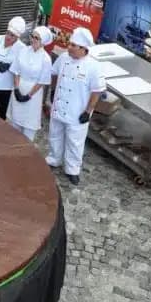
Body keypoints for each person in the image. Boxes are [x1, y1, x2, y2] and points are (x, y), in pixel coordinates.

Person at [46, 27, 105, 185]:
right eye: (70, 44)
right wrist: (52, 91)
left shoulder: (93, 66)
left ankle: (72, 169)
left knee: (75, 141)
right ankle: (53, 159)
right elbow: (54, 73)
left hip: (77, 111)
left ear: (83, 48)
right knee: (55, 134)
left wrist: (88, 111)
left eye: (73, 45)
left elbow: (97, 91)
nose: (69, 47)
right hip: (59, 106)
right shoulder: (64, 58)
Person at [8, 26, 54, 140]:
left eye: (36, 38)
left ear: (43, 41)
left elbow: (42, 81)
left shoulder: (46, 59)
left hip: (33, 95)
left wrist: (29, 95)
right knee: (14, 123)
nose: (33, 39)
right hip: (19, 88)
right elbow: (16, 71)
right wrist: (17, 89)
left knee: (28, 125)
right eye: (32, 36)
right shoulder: (23, 50)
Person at [0, 17, 26, 119]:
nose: (8, 37)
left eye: (12, 36)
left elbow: (21, 67)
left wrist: (9, 66)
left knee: (2, 115)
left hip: (7, 87)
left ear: (17, 37)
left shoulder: (22, 48)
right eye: (8, 33)